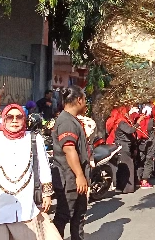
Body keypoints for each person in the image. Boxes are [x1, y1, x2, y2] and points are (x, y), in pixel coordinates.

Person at [0, 104, 59, 240]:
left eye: (19, 117)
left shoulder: (33, 138)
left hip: (26, 202)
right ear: (4, 119)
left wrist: (47, 194)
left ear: (24, 119)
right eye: (10, 117)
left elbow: (43, 166)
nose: (14, 120)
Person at [51, 86, 90, 240]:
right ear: (79, 100)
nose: (85, 103)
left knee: (78, 216)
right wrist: (79, 175)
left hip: (73, 177)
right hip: (69, 178)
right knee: (64, 216)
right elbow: (69, 150)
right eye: (85, 99)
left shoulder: (71, 120)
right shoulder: (67, 121)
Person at [114, 106, 143, 193]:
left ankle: (121, 187)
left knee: (123, 167)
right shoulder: (121, 122)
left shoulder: (123, 121)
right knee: (128, 166)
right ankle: (127, 188)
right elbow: (130, 130)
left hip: (125, 146)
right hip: (123, 146)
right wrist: (138, 122)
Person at [137, 105, 155, 189]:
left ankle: (139, 179)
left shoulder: (139, 119)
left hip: (141, 143)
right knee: (149, 160)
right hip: (150, 143)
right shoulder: (152, 121)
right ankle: (145, 181)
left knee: (140, 160)